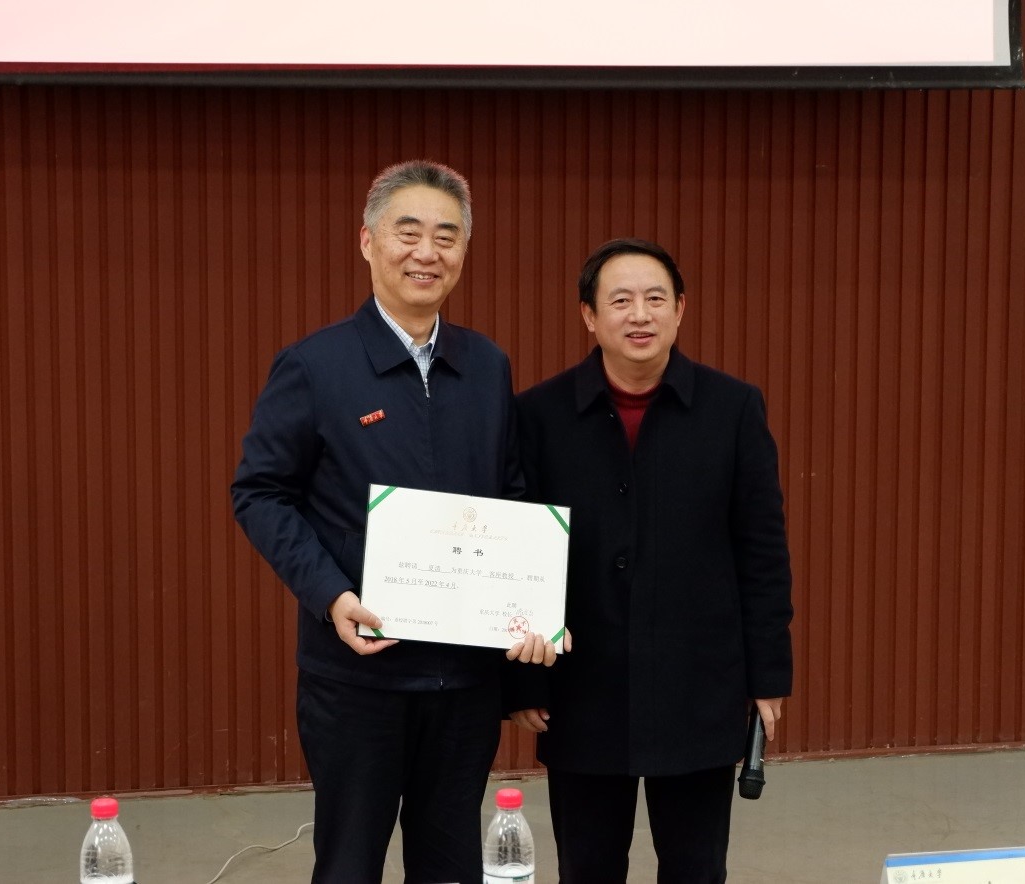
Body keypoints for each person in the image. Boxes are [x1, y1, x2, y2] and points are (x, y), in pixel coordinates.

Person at [231, 160, 562, 884]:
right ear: (367, 242)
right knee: (349, 864)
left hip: (464, 681)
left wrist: (531, 612)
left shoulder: (486, 366)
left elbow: (510, 499)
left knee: (451, 866)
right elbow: (260, 492)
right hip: (358, 677)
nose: (426, 253)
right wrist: (331, 595)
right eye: (407, 233)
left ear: (464, 251)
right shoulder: (315, 366)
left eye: (446, 236)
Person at [506, 237, 794, 883]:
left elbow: (762, 549)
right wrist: (523, 682)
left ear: (680, 309)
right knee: (587, 867)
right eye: (620, 300)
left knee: (696, 867)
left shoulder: (732, 408)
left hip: (699, 682)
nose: (640, 314)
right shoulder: (539, 414)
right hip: (581, 688)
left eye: (655, 298)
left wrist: (767, 672)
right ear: (589, 315)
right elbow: (519, 548)